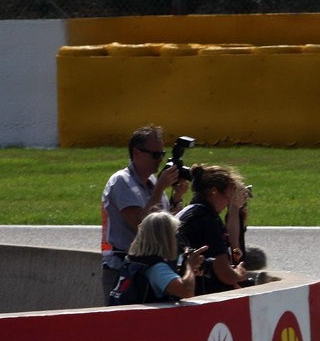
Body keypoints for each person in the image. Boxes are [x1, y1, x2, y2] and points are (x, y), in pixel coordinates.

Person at [100, 125, 189, 303]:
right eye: (155, 155)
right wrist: (159, 189)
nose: (159, 160)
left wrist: (176, 199)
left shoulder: (153, 182)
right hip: (123, 268)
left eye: (162, 155)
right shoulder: (121, 181)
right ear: (136, 153)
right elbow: (140, 224)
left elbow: (161, 224)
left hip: (150, 265)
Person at [177, 165, 252, 294]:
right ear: (214, 191)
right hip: (200, 294)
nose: (228, 202)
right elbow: (226, 275)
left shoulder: (192, 211)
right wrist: (240, 274)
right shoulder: (205, 220)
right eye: (228, 196)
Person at [107, 212, 207, 305]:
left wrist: (186, 272)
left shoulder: (133, 260)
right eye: (175, 235)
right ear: (166, 238)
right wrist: (190, 266)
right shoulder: (156, 268)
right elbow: (186, 291)